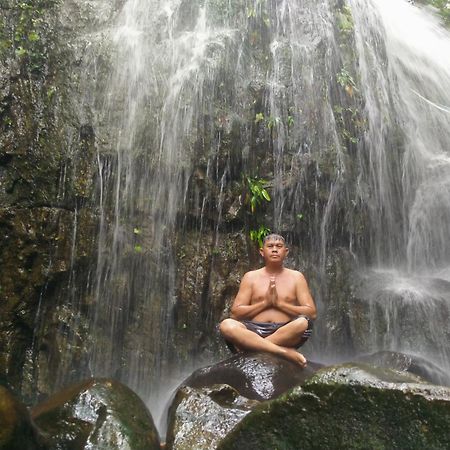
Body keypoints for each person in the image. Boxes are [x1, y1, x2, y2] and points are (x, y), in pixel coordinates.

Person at [219, 234, 317, 367]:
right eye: (270, 246)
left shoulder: (296, 277)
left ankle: (252, 348)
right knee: (227, 325)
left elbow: (311, 313)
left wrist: (279, 304)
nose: (275, 249)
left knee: (302, 323)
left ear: (286, 252)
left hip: (285, 331)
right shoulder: (251, 277)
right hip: (253, 330)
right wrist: (264, 303)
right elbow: (236, 313)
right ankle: (283, 352)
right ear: (262, 251)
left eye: (279, 246)